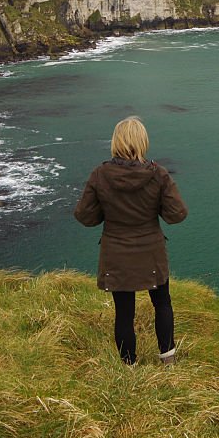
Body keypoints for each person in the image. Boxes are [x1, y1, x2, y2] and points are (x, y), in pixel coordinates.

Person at [74, 116, 188, 366]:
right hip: (151, 252)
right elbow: (177, 214)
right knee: (162, 304)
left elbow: (85, 216)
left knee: (124, 313)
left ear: (116, 142)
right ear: (143, 142)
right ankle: (168, 360)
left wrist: (108, 211)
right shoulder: (158, 174)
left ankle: (129, 365)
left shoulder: (100, 174)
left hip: (116, 252)